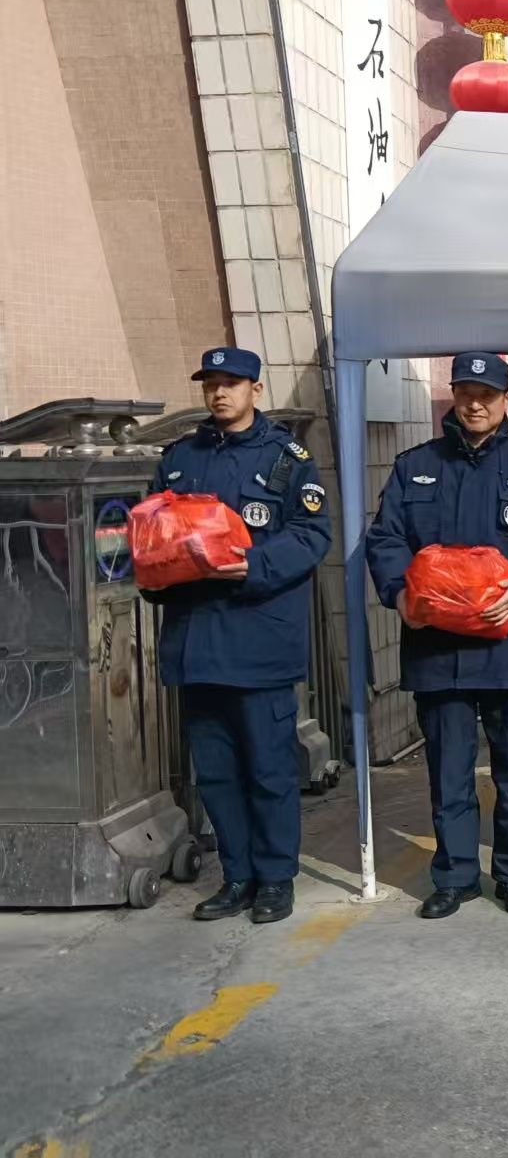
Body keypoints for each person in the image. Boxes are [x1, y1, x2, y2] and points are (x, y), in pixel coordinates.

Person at [366, 352, 508, 919]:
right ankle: (456, 877)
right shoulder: (415, 467)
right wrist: (399, 593)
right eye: (466, 393)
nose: (475, 404)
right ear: (454, 397)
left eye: (487, 394)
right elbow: (386, 538)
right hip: (440, 649)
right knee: (449, 771)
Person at [148, 347, 331, 925]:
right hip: (196, 642)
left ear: (256, 388)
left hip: (259, 641)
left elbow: (311, 535)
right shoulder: (180, 458)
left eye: (232, 383)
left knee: (269, 769)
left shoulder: (286, 458)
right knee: (217, 773)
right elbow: (151, 531)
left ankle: (275, 878)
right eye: (211, 383)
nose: (220, 393)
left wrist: (254, 565)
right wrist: (152, 573)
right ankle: (237, 877)